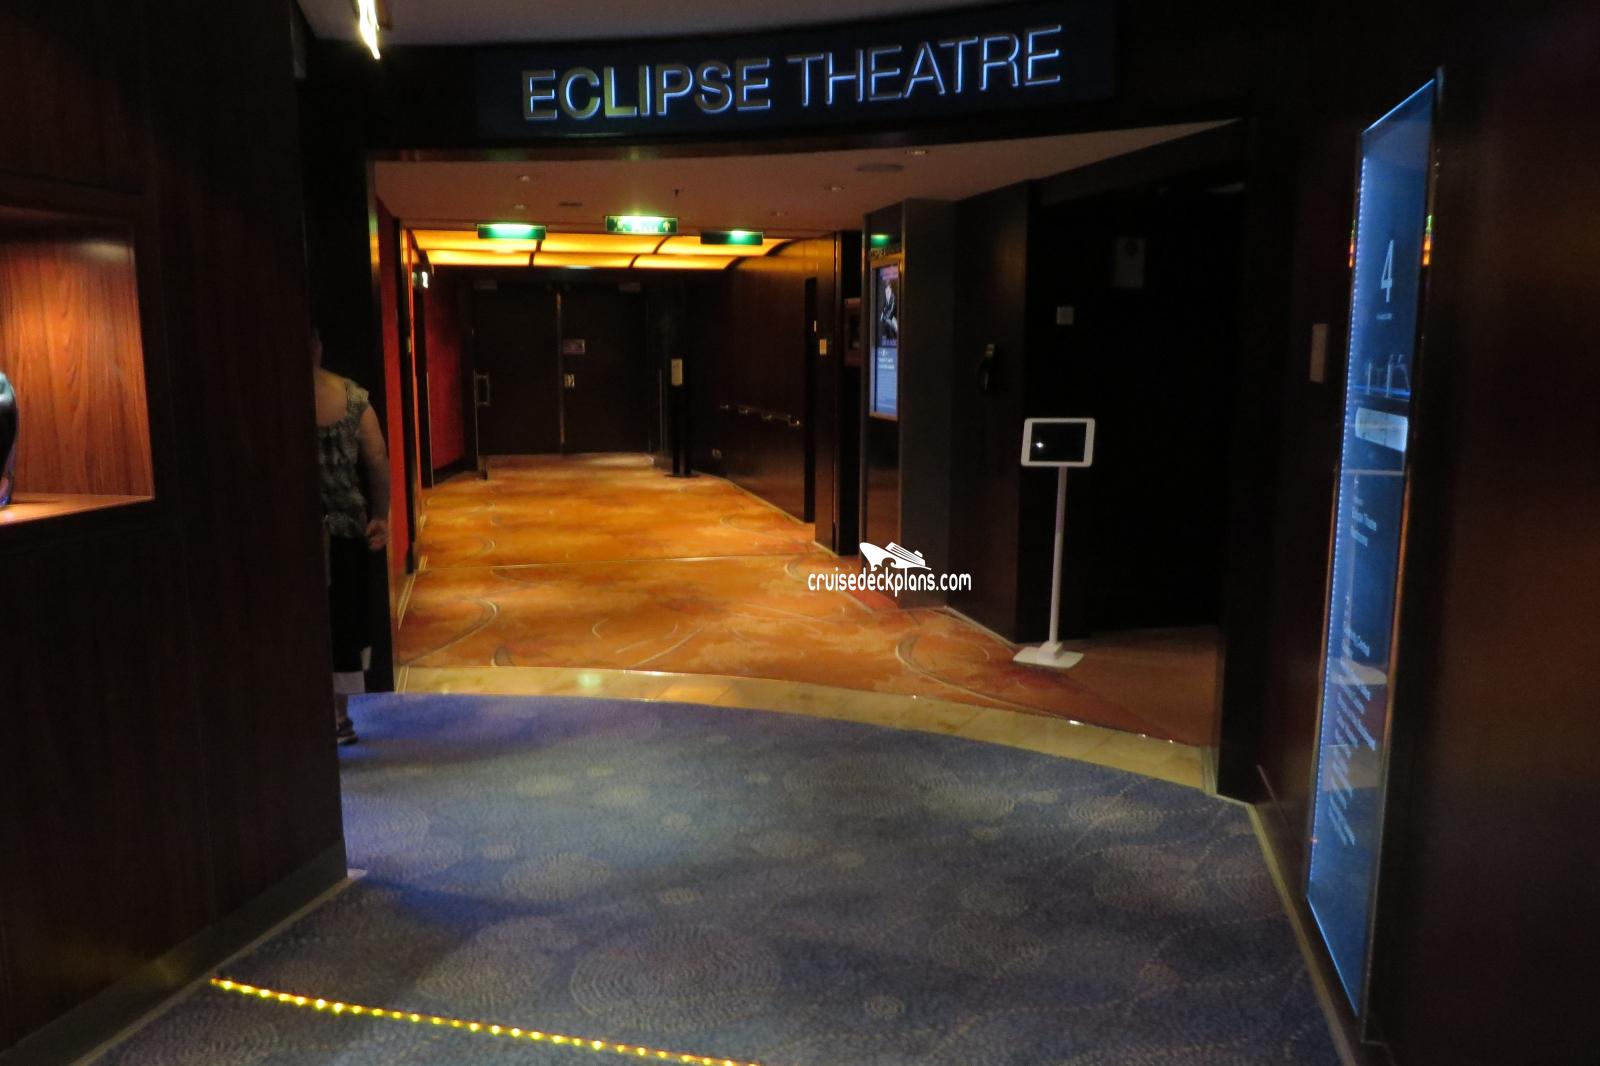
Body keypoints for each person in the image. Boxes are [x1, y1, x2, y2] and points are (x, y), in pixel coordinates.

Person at [313, 328, 390, 744]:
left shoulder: (264, 393)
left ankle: (300, 715)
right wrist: (381, 515)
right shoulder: (352, 396)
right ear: (318, 345)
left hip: (286, 533)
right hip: (344, 527)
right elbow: (376, 457)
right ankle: (338, 717)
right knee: (342, 621)